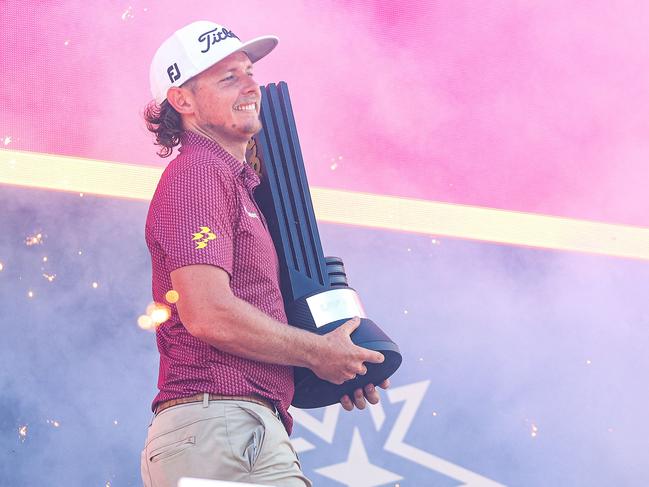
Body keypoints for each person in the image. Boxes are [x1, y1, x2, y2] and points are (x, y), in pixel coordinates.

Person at [140, 20, 389, 487]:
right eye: (227, 78)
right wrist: (318, 352)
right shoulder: (198, 174)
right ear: (184, 100)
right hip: (222, 428)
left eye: (249, 71)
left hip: (236, 430)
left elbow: (245, 319)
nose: (250, 85)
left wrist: (338, 362)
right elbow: (209, 314)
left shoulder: (235, 186)